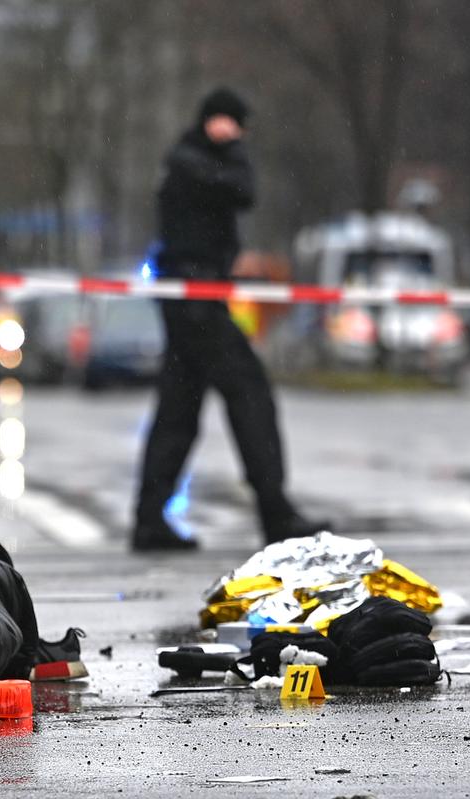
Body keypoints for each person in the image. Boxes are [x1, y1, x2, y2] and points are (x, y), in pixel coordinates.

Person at [132, 87, 328, 552]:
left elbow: (241, 193)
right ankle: (274, 510)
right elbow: (243, 190)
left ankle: (149, 518)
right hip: (195, 300)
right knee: (249, 394)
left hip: (192, 299)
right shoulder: (191, 161)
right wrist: (232, 150)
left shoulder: (191, 161)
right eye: (229, 125)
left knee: (178, 411)